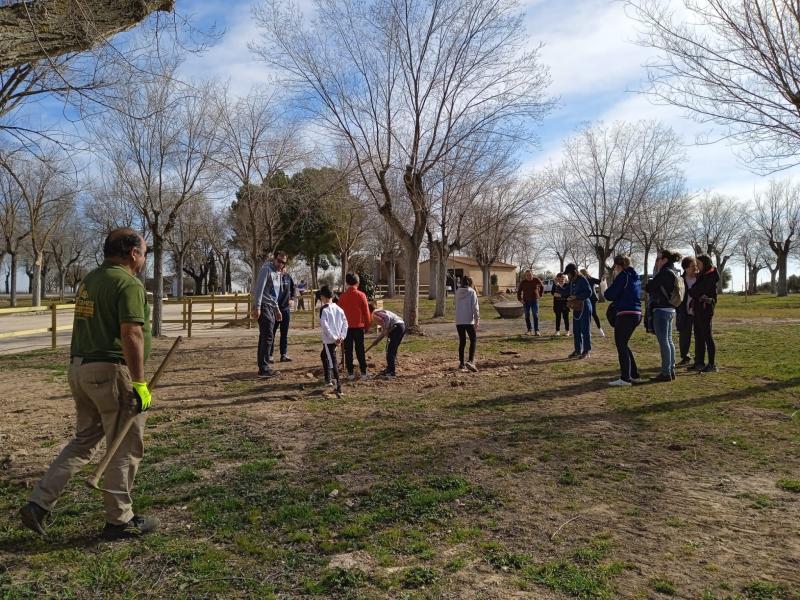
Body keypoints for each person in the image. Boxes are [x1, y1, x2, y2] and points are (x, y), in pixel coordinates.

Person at [19, 228, 158, 541]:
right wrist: (139, 383)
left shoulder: (91, 280)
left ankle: (39, 503)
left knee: (84, 441)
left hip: (80, 370)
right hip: (111, 373)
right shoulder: (127, 283)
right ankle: (119, 520)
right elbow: (131, 334)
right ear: (132, 252)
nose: (144, 259)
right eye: (144, 252)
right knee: (124, 445)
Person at [603, 255, 643, 386]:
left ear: (618, 265)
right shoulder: (635, 276)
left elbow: (610, 294)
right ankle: (634, 374)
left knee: (621, 345)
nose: (614, 268)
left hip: (625, 313)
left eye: (615, 266)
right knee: (623, 344)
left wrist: (605, 289)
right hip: (636, 313)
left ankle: (625, 378)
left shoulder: (623, 275)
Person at [645, 250, 684, 382]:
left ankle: (666, 372)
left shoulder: (664, 272)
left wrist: (651, 281)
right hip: (671, 309)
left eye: (659, 258)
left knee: (664, 342)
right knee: (669, 340)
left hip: (661, 309)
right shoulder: (673, 272)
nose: (657, 261)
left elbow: (649, 287)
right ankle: (671, 370)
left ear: (665, 259)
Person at [251, 250, 287, 378]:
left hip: (271, 307)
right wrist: (257, 307)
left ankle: (263, 366)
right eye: (279, 261)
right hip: (264, 306)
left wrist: (277, 310)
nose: (280, 264)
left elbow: (274, 295)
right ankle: (264, 368)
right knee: (267, 337)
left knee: (266, 336)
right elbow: (259, 289)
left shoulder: (278, 273)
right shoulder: (266, 269)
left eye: (283, 263)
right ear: (274, 259)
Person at [687, 254, 719, 373]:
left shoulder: (711, 276)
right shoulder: (703, 276)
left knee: (707, 337)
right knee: (699, 337)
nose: (697, 266)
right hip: (698, 309)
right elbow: (693, 291)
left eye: (698, 263)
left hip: (706, 310)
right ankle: (699, 362)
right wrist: (697, 293)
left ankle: (711, 364)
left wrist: (698, 294)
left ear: (705, 264)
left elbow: (697, 290)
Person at [339, 272, 372, 380]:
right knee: (360, 349)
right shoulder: (361, 295)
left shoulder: (343, 296)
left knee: (348, 350)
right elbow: (366, 312)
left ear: (347, 282)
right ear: (357, 282)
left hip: (346, 328)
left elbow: (339, 313)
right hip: (359, 327)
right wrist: (367, 325)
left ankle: (350, 373)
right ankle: (363, 372)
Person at [318, 285, 347, 393]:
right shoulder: (339, 309)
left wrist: (334, 338)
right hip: (337, 338)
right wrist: (342, 336)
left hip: (330, 340)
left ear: (322, 297)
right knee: (324, 355)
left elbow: (324, 326)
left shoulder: (324, 309)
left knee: (332, 361)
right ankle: (328, 378)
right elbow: (345, 323)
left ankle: (338, 386)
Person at [268, 258, 295, 363]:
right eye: (280, 265)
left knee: (284, 333)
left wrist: (292, 299)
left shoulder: (288, 277)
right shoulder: (273, 277)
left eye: (284, 265)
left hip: (285, 309)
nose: (282, 267)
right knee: (272, 333)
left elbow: (293, 289)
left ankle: (283, 354)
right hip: (274, 309)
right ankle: (269, 355)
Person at [564, 263, 593, 358]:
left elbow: (589, 292)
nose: (568, 275)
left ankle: (586, 350)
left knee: (585, 329)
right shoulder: (572, 281)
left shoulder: (582, 279)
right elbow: (566, 290)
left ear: (574, 272)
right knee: (576, 330)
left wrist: (577, 297)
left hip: (584, 306)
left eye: (568, 273)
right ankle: (577, 350)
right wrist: (558, 287)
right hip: (576, 307)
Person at [369, 306, 406, 378]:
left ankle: (391, 372)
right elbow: (384, 331)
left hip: (397, 327)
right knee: (391, 349)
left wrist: (385, 329)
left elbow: (387, 318)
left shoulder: (375, 313)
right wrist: (377, 340)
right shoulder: (379, 314)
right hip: (400, 327)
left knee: (390, 350)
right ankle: (390, 368)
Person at [455, 275, 480, 372]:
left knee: (462, 341)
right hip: (469, 320)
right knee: (473, 339)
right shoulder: (472, 292)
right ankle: (471, 360)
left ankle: (461, 363)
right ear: (470, 283)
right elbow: (475, 307)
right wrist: (477, 320)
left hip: (459, 320)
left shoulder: (457, 292)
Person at [677, 256, 698, 366]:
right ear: (685, 268)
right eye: (692, 266)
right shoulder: (680, 280)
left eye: (696, 265)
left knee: (700, 335)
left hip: (698, 312)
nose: (695, 268)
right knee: (684, 335)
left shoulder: (700, 278)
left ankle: (699, 358)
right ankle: (685, 357)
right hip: (685, 312)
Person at [517, 269, 544, 335]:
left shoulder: (536, 280)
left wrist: (540, 295)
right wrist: (520, 299)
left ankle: (537, 330)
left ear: (532, 274)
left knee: (535, 315)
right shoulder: (523, 282)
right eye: (527, 275)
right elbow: (519, 291)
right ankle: (529, 330)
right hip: (525, 301)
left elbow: (542, 286)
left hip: (534, 300)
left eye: (530, 275)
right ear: (525, 276)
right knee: (527, 315)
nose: (529, 276)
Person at [580, 268, 606, 337]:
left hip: (592, 299)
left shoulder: (590, 279)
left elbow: (600, 281)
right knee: (587, 314)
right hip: (585, 299)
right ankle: (588, 331)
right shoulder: (581, 280)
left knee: (593, 314)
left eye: (581, 273)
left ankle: (601, 331)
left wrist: (603, 278)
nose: (580, 274)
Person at [551, 272, 571, 337]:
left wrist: (560, 295)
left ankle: (567, 331)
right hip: (557, 304)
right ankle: (557, 331)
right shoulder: (555, 284)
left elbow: (567, 294)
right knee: (558, 317)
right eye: (560, 278)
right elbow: (552, 292)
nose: (562, 279)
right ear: (558, 278)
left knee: (566, 318)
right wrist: (559, 295)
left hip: (565, 304)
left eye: (563, 277)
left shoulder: (567, 285)